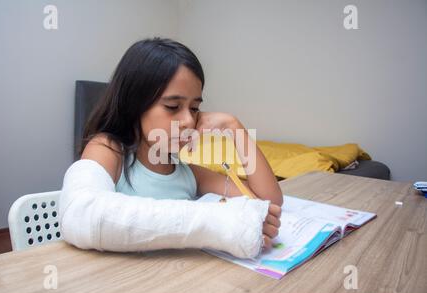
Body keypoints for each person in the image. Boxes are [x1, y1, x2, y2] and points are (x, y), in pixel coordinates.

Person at [59, 37, 282, 258]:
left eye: (194, 108)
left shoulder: (186, 170)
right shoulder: (108, 150)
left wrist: (234, 127)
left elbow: (267, 204)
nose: (188, 120)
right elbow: (81, 215)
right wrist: (219, 221)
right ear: (134, 105)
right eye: (173, 106)